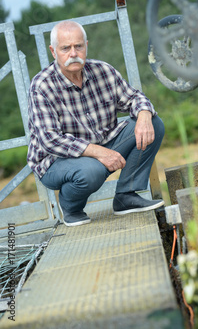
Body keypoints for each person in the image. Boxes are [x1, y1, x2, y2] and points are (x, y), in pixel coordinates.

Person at [27, 20, 165, 227]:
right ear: (53, 51)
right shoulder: (42, 85)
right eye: (66, 48)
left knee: (154, 122)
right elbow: (50, 140)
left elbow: (134, 98)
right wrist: (100, 153)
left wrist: (144, 115)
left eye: (78, 46)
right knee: (91, 171)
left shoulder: (103, 71)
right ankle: (71, 208)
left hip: (103, 144)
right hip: (56, 161)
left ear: (86, 46)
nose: (73, 53)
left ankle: (126, 195)